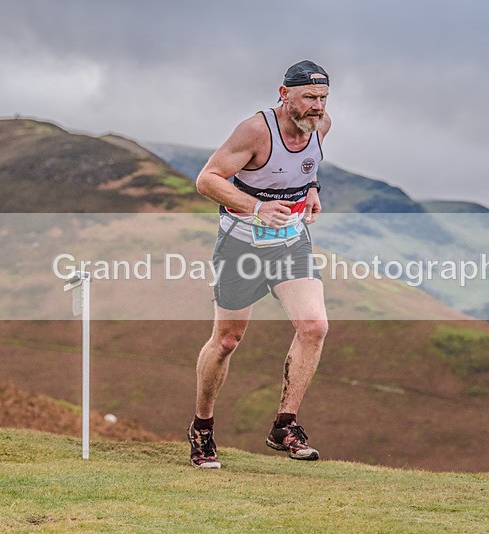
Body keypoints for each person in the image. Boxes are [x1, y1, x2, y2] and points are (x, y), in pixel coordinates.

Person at [188, 60, 331, 468]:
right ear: (284, 94)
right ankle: (202, 427)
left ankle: (285, 425)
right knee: (227, 341)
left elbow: (308, 164)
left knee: (314, 326)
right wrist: (257, 208)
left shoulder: (320, 124)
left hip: (290, 244)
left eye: (323, 98)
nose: (317, 106)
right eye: (309, 97)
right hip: (241, 246)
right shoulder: (256, 131)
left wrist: (312, 189)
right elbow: (207, 179)